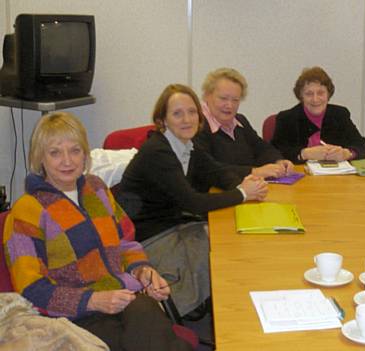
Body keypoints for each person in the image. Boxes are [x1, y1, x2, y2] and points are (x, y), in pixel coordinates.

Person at [3, 112, 190, 351]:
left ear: (85, 154)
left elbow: (125, 243)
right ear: (40, 158)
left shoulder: (97, 189)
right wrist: (92, 301)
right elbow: (31, 288)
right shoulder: (26, 210)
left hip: (121, 296)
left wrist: (142, 270)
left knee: (144, 312)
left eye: (75, 150)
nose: (68, 161)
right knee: (155, 334)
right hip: (73, 315)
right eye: (55, 153)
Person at [117, 84, 268, 317]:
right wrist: (243, 194)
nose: (186, 119)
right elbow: (194, 203)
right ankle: (212, 308)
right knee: (219, 250)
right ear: (163, 120)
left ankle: (224, 304)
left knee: (229, 237)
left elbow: (218, 172)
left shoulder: (189, 145)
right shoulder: (158, 151)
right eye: (177, 113)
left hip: (172, 223)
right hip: (147, 236)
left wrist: (245, 183)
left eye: (192, 112)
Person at [195, 67, 294, 178]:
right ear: (207, 96)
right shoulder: (197, 125)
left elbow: (262, 148)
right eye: (223, 98)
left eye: (235, 100)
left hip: (248, 189)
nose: (229, 105)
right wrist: (254, 172)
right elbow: (208, 169)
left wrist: (278, 161)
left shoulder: (240, 121)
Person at [271, 66, 365, 163]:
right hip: (302, 175)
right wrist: (304, 153)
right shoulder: (287, 118)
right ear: (301, 96)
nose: (315, 99)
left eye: (321, 93)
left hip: (336, 176)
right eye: (309, 94)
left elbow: (362, 146)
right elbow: (275, 152)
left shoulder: (340, 115)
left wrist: (347, 153)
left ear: (328, 94)